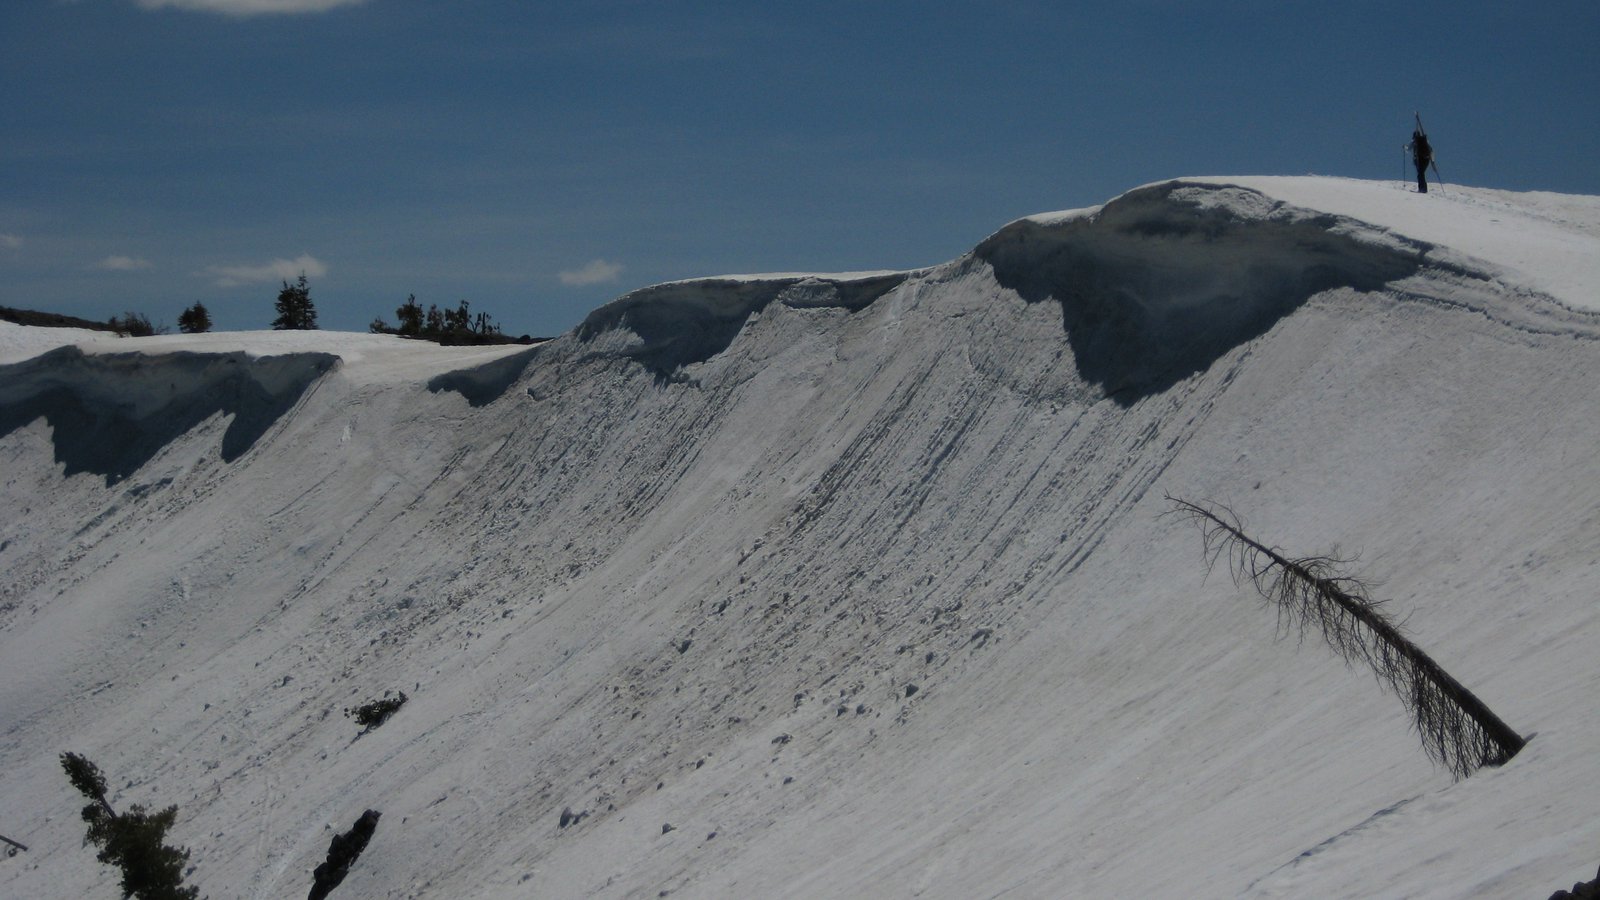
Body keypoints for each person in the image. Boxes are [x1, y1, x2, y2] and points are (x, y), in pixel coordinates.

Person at [1410, 127, 1433, 194]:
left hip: (1419, 159)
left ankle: (1422, 189)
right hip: (1426, 159)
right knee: (1421, 173)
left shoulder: (1415, 141)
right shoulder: (1424, 141)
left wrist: (1404, 147)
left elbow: (1408, 148)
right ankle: (1424, 188)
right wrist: (1432, 160)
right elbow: (1431, 149)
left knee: (1420, 174)